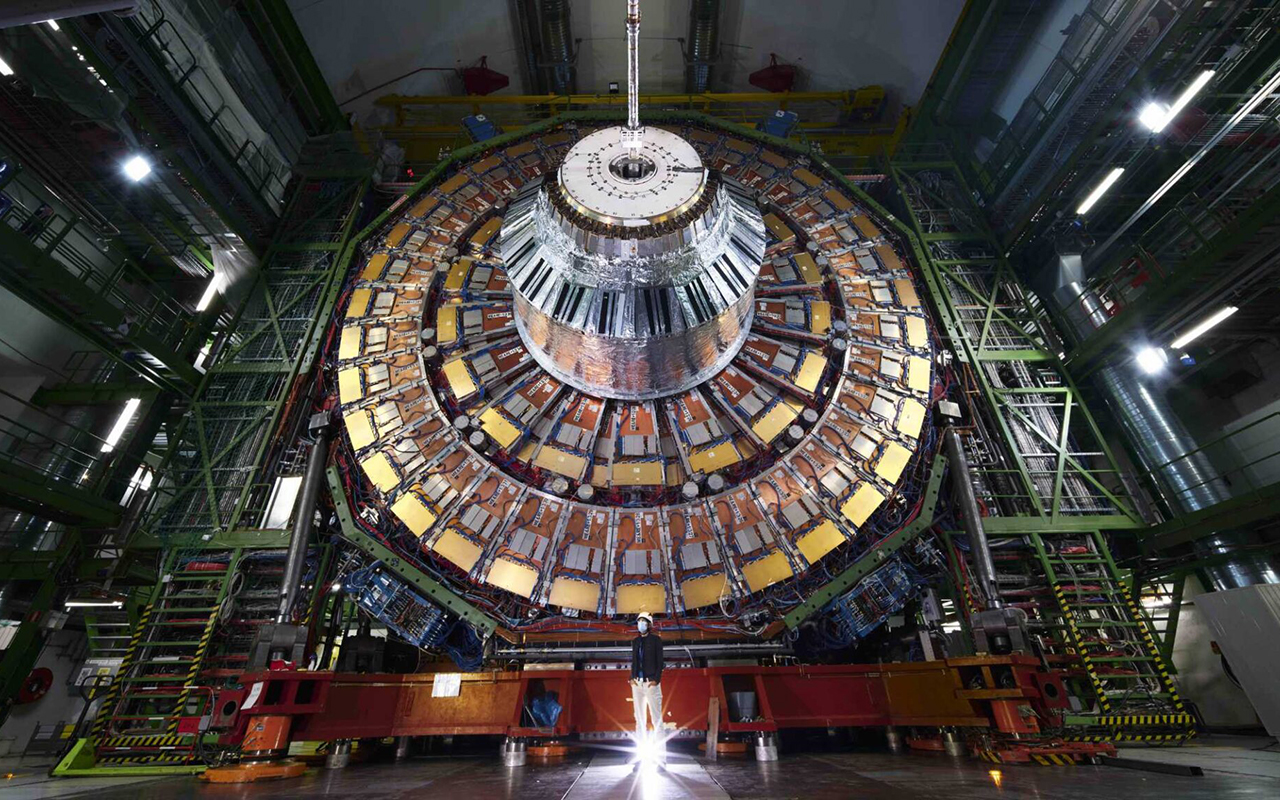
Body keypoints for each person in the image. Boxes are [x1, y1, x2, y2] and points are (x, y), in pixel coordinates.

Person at [630, 612, 664, 766]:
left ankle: (661, 759)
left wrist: (656, 680)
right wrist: (632, 678)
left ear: (649, 625)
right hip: (638, 684)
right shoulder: (635, 641)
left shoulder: (656, 640)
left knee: (656, 720)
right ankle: (640, 758)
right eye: (639, 621)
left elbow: (660, 661)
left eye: (644, 622)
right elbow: (634, 661)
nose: (641, 624)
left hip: (651, 683)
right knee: (639, 720)